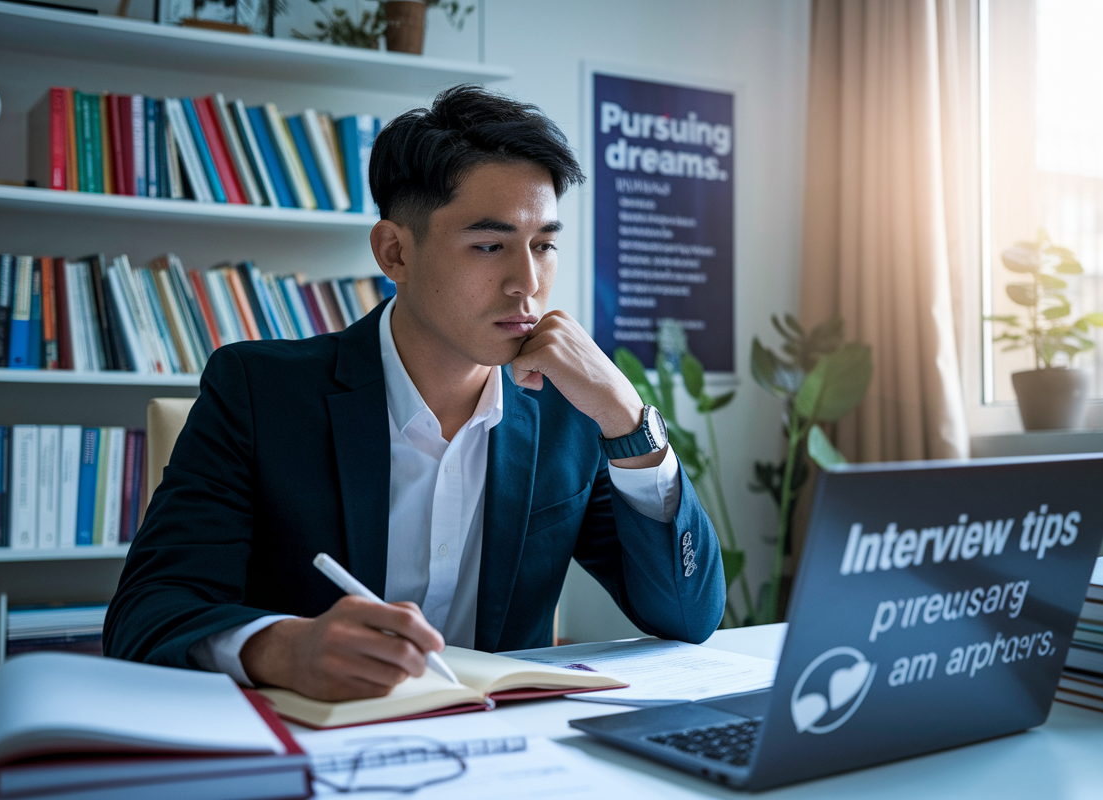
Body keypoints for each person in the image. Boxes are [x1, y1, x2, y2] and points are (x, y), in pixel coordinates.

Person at [103, 85, 725, 702]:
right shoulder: (258, 392)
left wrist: (627, 418)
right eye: (490, 245)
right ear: (394, 252)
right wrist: (283, 647)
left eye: (543, 245)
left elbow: (685, 617)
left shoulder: (572, 411)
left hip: (504, 752)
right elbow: (147, 614)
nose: (527, 284)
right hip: (312, 744)